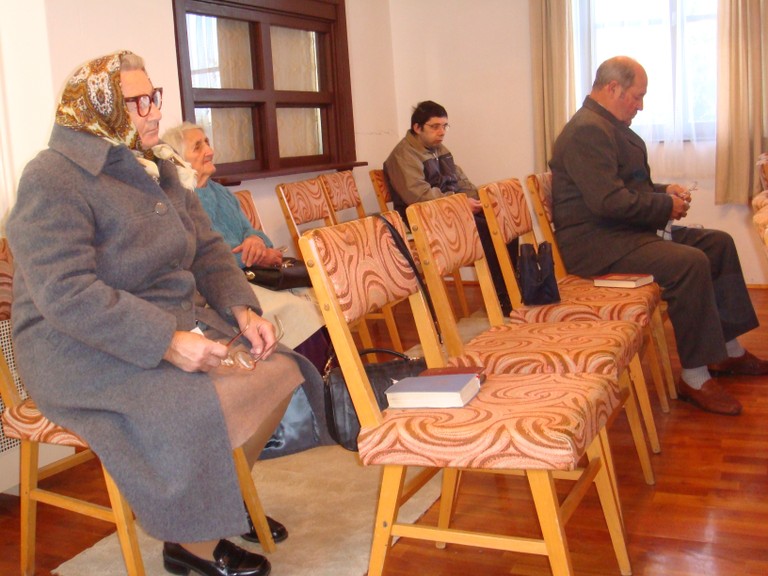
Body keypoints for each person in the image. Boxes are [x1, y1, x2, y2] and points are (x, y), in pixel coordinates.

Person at [6, 51, 323, 576]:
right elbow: (65, 292)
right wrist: (167, 342)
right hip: (76, 347)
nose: (153, 111)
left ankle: (217, 495)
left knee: (280, 368)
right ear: (98, 108)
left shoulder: (156, 166)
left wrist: (243, 310)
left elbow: (208, 249)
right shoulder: (52, 177)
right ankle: (190, 545)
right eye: (136, 103)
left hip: (164, 319)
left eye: (152, 97)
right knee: (191, 405)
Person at [549, 55, 768, 416]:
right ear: (613, 88)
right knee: (689, 263)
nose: (640, 106)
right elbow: (608, 201)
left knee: (718, 244)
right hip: (597, 246)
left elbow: (626, 188)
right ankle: (694, 378)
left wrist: (665, 191)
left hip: (622, 233)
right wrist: (665, 206)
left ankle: (728, 352)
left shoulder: (606, 125)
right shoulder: (586, 131)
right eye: (637, 96)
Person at [161, 122, 330, 375]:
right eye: (198, 147)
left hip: (255, 273)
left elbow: (253, 232)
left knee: (319, 294)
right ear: (178, 159)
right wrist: (257, 257)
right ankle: (312, 379)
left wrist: (256, 241)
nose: (210, 151)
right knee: (300, 310)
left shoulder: (221, 192)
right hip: (228, 288)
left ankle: (331, 373)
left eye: (207, 142)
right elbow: (204, 260)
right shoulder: (180, 201)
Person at [383, 100, 518, 314]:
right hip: (423, 218)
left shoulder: (439, 149)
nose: (442, 132)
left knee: (502, 219)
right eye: (435, 126)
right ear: (417, 127)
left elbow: (460, 181)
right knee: (484, 229)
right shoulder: (403, 156)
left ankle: (514, 287)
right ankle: (503, 298)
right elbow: (420, 196)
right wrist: (460, 204)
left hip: (449, 209)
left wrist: (482, 199)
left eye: (445, 126)